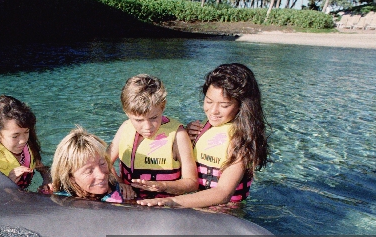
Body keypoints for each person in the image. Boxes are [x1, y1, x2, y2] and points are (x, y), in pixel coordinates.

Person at [138, 63, 268, 208]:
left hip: (225, 213)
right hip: (193, 205)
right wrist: (187, 139)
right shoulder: (204, 127)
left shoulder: (242, 140)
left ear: (242, 105)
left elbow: (223, 193)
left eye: (224, 105)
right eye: (208, 101)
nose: (213, 111)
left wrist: (172, 201)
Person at [107, 75, 198, 200]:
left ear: (163, 106)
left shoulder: (178, 135)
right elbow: (105, 163)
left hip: (164, 205)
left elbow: (192, 182)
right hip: (130, 203)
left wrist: (163, 185)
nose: (147, 127)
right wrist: (120, 184)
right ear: (126, 113)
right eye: (138, 120)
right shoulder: (125, 128)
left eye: (154, 118)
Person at [0, 95, 51, 192]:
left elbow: (41, 167)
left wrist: (47, 181)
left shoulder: (28, 145)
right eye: (15, 136)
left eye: (26, 132)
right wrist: (7, 183)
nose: (23, 140)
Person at [51, 127, 134, 202]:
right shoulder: (55, 197)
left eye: (102, 163)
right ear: (71, 177)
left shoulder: (124, 195)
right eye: (89, 171)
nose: (101, 175)